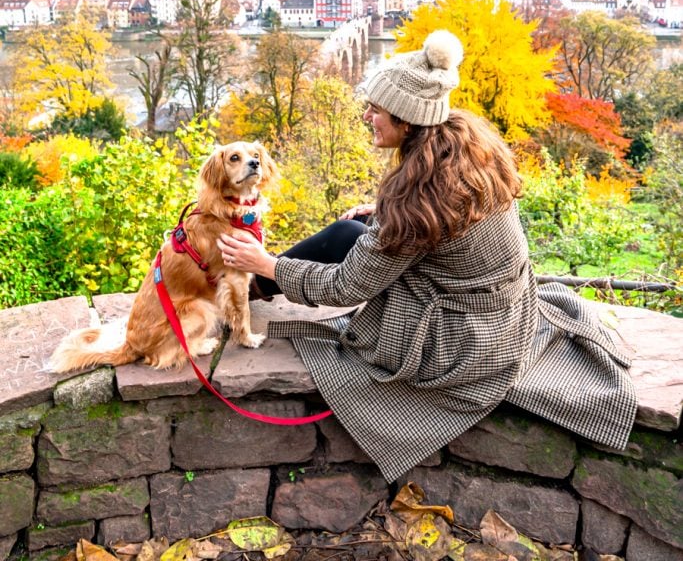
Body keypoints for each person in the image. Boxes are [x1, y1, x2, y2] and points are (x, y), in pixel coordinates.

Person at [218, 30, 637, 483]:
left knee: (346, 244)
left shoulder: (419, 199)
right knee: (350, 231)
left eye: (376, 111)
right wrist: (381, 213)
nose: (367, 117)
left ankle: (248, 282)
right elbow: (447, 225)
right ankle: (246, 289)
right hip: (506, 310)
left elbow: (348, 288)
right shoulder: (465, 143)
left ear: (407, 120)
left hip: (463, 341)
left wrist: (267, 263)